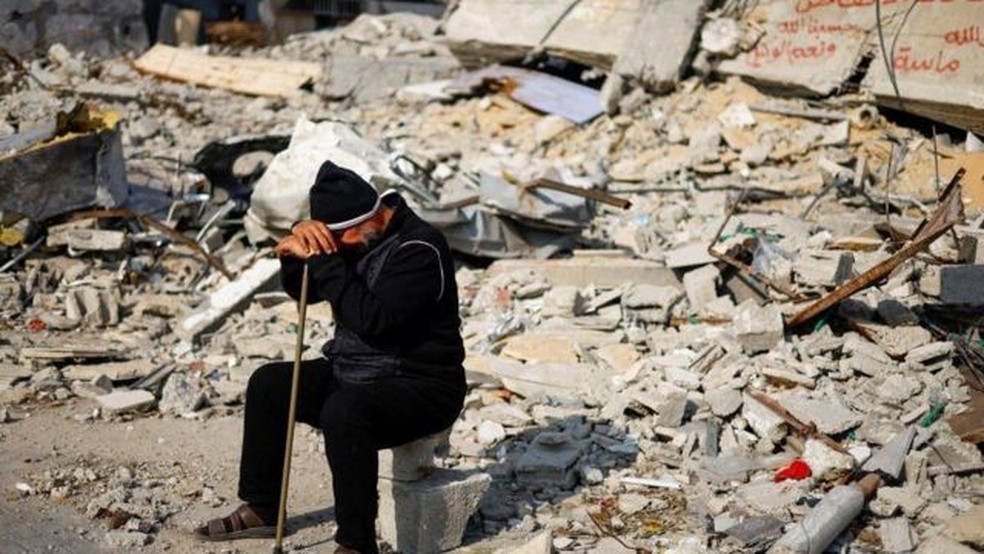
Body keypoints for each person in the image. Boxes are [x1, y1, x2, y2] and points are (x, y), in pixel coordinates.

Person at [195, 161, 467, 554]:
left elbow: (372, 319)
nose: (342, 250)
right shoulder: (361, 237)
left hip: (422, 384)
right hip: (355, 370)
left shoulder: (420, 248)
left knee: (345, 412)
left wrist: (324, 258)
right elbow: (306, 290)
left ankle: (356, 544)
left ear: (372, 218)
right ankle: (262, 507)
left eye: (343, 241)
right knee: (270, 384)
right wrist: (298, 254)